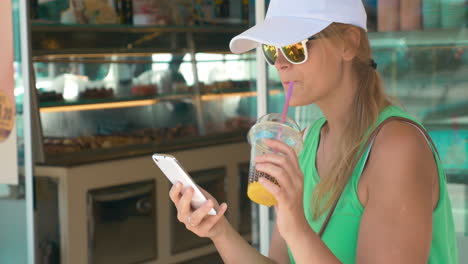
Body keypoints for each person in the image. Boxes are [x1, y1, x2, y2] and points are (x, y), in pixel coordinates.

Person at [169, 0, 459, 263]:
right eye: (272, 49)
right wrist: (219, 230)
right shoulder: (305, 140)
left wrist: (295, 225)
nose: (280, 63)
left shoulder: (396, 147)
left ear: (349, 43)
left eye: (295, 47)